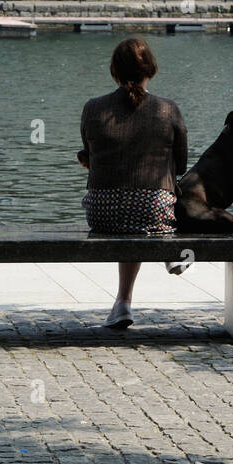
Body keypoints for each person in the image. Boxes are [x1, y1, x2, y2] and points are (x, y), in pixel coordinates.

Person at [78, 37, 188, 330]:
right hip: (153, 210)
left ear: (114, 71)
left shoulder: (93, 108)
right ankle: (168, 246)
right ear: (151, 69)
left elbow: (90, 156)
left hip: (102, 213)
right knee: (152, 203)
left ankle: (123, 303)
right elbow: (182, 164)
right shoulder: (168, 109)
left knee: (130, 207)